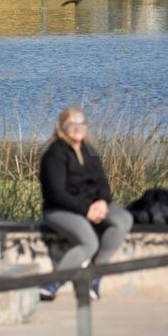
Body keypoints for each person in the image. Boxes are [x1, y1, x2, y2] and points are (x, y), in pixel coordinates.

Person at [38, 107, 133, 301]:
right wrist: (85, 210)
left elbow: (102, 183)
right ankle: (52, 283)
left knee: (123, 220)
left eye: (81, 123)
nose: (77, 128)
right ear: (61, 127)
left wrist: (102, 202)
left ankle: (94, 276)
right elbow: (56, 193)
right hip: (60, 209)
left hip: (92, 206)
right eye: (71, 124)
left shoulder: (90, 150)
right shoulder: (54, 154)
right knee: (89, 242)